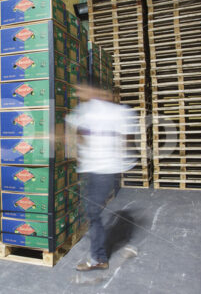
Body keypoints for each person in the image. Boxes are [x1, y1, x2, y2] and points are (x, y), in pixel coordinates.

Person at [65, 84, 137, 271]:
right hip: (92, 169)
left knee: (93, 212)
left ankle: (99, 258)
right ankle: (98, 255)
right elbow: (76, 131)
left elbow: (127, 138)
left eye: (81, 90)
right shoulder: (86, 110)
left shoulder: (115, 112)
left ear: (93, 90)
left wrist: (119, 156)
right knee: (91, 211)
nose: (77, 93)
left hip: (103, 171)